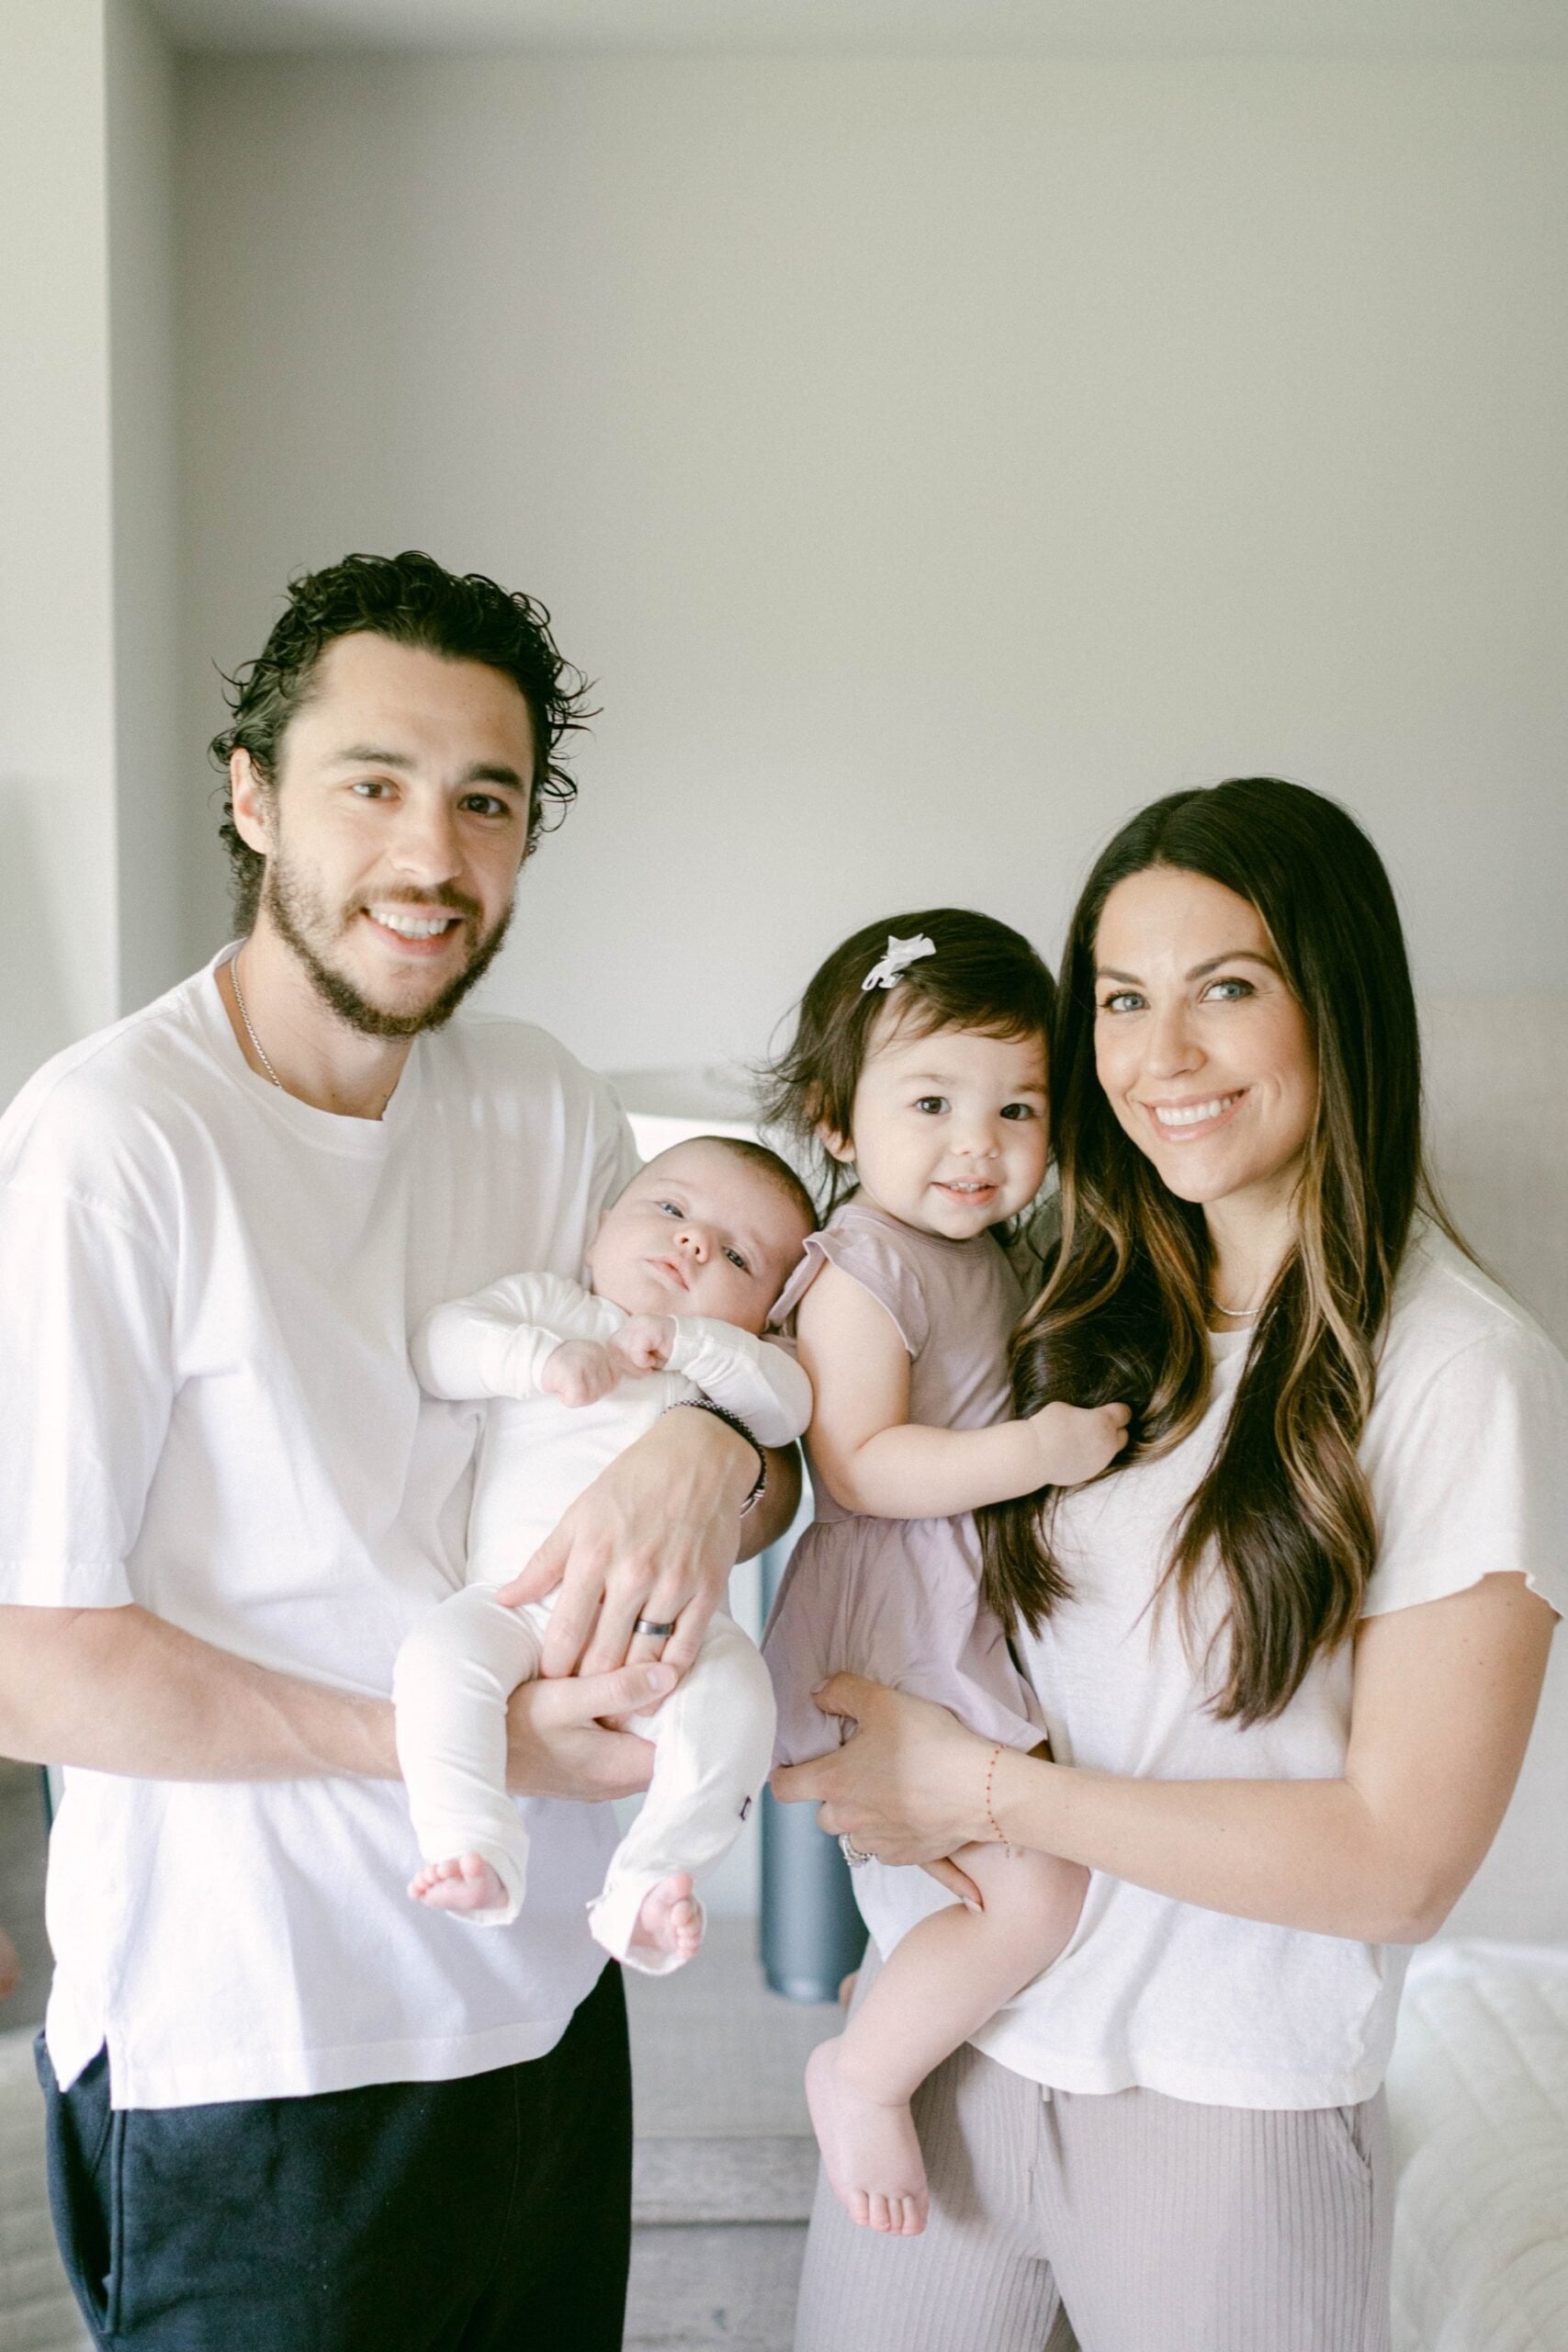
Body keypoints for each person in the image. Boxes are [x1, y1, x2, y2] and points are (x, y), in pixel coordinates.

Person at [0, 549, 797, 2352]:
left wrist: (704, 1461)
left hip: (543, 2004)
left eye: (484, 800)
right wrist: (451, 1748)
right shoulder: (109, 1144)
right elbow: (30, 1661)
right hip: (256, 2056)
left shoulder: (542, 1100)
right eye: (372, 783)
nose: (431, 854)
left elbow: (744, 1434)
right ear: (252, 795)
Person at [775, 779, 1565, 2352]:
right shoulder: (1066, 1295)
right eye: (1121, 1000)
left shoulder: (1457, 1372)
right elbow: (808, 1402)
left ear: (1334, 1005)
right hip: (953, 2056)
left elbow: (1399, 1866)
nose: (1159, 1057)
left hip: (1226, 2106)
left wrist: (985, 1797)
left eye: (1225, 989)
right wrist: (682, 1463)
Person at [759, 910, 1129, 2236]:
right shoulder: (860, 1265)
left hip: (956, 1595)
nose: (977, 1143)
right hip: (894, 1610)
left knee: (982, 1884)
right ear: (836, 1122)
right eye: (931, 1103)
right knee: (1038, 1888)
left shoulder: (993, 1254)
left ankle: (894, 1998)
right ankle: (860, 2076)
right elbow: (860, 1464)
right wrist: (1036, 1451)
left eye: (1015, 1108)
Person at [396, 1134, 814, 1968]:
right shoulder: (548, 1308)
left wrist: (690, 1344)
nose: (694, 1242)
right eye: (671, 1208)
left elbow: (789, 1408)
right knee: (435, 1661)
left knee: (739, 1702)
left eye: (736, 1256)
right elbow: (439, 1346)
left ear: (767, 1315)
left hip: (677, 1637)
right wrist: (540, 1360)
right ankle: (470, 1841)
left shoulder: (721, 1369)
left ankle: (657, 1877)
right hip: (514, 1604)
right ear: (598, 1229)